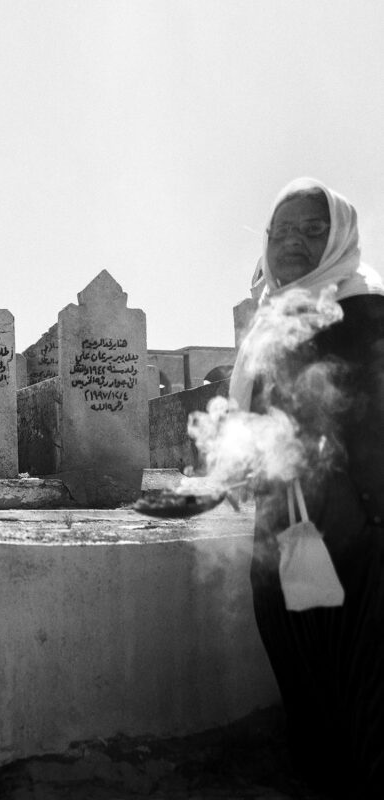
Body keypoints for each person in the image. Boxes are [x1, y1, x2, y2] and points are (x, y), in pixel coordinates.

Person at [230, 178, 384, 795]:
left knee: (371, 707)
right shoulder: (269, 321)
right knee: (312, 707)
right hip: (287, 545)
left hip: (361, 550)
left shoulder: (365, 310)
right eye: (281, 231)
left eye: (312, 229)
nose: (293, 241)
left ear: (339, 237)